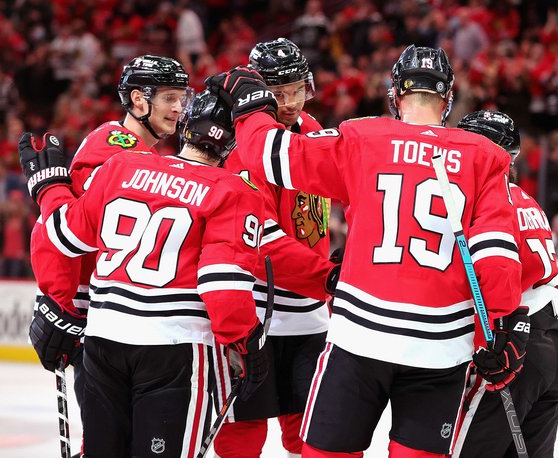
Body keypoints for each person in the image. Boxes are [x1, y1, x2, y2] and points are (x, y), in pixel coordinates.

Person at [207, 45, 523, 457]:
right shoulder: (486, 156)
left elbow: (269, 154)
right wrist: (499, 332)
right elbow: (497, 260)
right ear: (448, 99)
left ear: (395, 94)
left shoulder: (363, 137)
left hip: (360, 337)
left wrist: (249, 107)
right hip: (441, 347)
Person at [20, 89, 269, 457]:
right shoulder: (234, 190)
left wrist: (49, 186)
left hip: (104, 342)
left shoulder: (123, 166)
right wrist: (247, 345)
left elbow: (63, 234)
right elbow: (223, 286)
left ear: (185, 128)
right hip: (174, 349)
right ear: (232, 146)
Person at [28, 55, 191, 411]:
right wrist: (61, 303)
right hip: (102, 322)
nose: (179, 108)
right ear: (137, 99)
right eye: (169, 98)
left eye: (182, 98)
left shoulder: (145, 153)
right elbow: (63, 231)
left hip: (125, 321)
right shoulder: (111, 146)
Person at [214, 37, 336, 458]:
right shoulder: (238, 151)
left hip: (311, 318)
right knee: (241, 439)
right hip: (254, 317)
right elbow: (261, 243)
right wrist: (330, 278)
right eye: (277, 93)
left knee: (310, 437)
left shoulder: (316, 132)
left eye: (296, 90)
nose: (288, 102)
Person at [453, 110, 558, 458]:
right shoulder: (527, 199)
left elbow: (488, 277)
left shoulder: (487, 203)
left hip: (516, 341)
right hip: (555, 340)